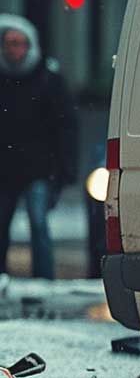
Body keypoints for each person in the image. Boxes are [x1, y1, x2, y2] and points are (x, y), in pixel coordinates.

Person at [0, 15, 77, 279]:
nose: (13, 49)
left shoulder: (47, 79)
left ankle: (44, 279)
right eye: (9, 43)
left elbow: (65, 125)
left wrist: (64, 167)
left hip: (38, 167)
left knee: (38, 222)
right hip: (6, 167)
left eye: (18, 43)